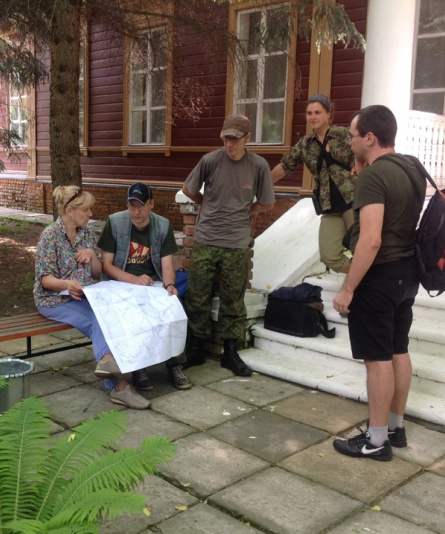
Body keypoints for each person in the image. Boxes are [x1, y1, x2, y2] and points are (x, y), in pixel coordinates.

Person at [332, 105, 426, 461]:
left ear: (369, 138)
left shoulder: (374, 178)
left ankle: (375, 441)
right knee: (398, 349)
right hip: (407, 272)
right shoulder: (410, 166)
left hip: (380, 275)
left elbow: (371, 239)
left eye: (354, 136)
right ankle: (394, 427)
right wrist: (362, 170)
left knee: (377, 358)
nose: (351, 142)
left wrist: (348, 288)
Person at [34, 185, 150, 410]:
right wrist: (67, 284)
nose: (90, 214)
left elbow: (96, 272)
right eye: (86, 210)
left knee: (115, 314)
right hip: (54, 300)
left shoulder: (86, 232)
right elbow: (45, 280)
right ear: (69, 211)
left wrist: (91, 254)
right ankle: (118, 382)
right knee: (98, 320)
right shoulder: (50, 236)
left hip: (84, 296)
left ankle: (112, 368)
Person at [181, 114, 275, 376]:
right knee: (197, 295)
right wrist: (208, 205)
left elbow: (267, 203)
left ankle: (230, 351)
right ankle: (196, 348)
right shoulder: (210, 160)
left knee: (233, 300)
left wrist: (246, 211)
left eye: (235, 138)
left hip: (236, 243)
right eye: (225, 138)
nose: (229, 144)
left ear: (247, 138)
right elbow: (188, 189)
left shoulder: (258, 166)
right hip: (206, 239)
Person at [98, 182, 192, 392]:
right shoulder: (115, 222)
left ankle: (174, 365)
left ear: (151, 203)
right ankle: (139, 367)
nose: (136, 212)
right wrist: (133, 279)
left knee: (172, 308)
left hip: (152, 282)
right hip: (120, 283)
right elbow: (106, 265)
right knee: (135, 315)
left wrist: (169, 286)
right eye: (132, 206)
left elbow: (167, 265)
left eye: (140, 206)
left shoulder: (163, 225)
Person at [271, 94, 355, 273]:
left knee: (362, 248)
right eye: (309, 113)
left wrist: (359, 166)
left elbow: (363, 154)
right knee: (330, 256)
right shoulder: (305, 144)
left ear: (328, 114)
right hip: (329, 205)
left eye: (318, 112)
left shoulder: (344, 135)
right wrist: (263, 184)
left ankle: (365, 285)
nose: (313, 117)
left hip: (353, 202)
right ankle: (362, 276)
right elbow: (286, 166)